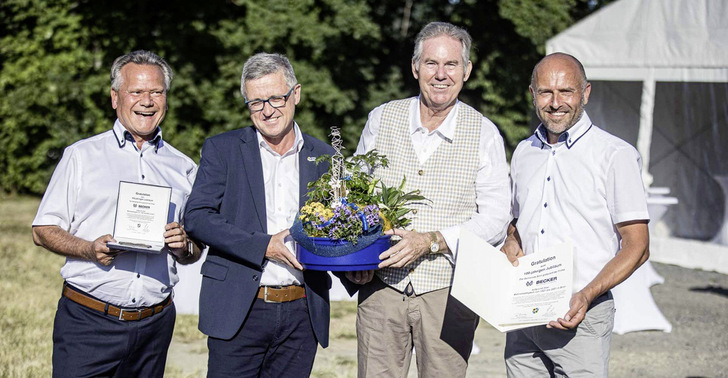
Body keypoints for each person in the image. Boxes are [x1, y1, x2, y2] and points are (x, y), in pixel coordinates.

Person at [351, 22, 512, 377]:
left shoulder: (484, 133)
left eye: (451, 65)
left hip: (449, 292)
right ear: (415, 67)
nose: (441, 75)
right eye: (431, 64)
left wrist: (434, 240)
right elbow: (357, 193)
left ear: (466, 71)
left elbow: (497, 218)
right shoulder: (382, 118)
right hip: (381, 287)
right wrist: (357, 255)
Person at [31, 50, 202, 378]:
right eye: (136, 92)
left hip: (155, 325)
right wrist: (88, 248)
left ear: (166, 98)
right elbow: (42, 229)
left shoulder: (184, 168)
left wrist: (185, 245)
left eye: (156, 92)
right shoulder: (81, 156)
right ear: (115, 97)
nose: (147, 101)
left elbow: (194, 252)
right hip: (88, 321)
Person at [183, 52, 335, 377]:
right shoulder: (222, 149)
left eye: (275, 98)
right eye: (256, 102)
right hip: (239, 308)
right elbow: (197, 216)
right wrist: (263, 246)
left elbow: (337, 227)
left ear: (296, 94)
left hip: (301, 311)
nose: (267, 110)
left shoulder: (325, 157)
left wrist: (354, 270)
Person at [501, 52, 650, 377]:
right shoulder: (524, 152)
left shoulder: (615, 155)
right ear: (532, 94)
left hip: (582, 315)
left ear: (585, 93)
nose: (555, 103)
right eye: (545, 92)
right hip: (525, 313)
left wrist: (586, 295)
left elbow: (638, 246)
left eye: (566, 91)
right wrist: (512, 240)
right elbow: (518, 221)